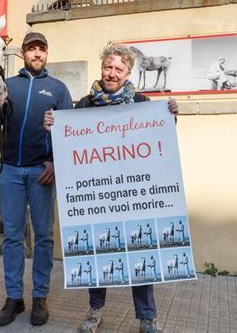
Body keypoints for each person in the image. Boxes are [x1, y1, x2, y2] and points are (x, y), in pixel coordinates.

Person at [44, 43, 178, 333]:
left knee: (141, 253)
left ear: (129, 72)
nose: (112, 73)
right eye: (108, 67)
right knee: (97, 253)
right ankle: (95, 311)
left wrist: (171, 115)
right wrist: (53, 126)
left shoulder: (142, 102)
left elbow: (160, 137)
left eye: (119, 69)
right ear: (102, 68)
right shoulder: (83, 105)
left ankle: (146, 317)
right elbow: (67, 144)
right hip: (97, 194)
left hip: (133, 194)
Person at [0, 32, 73, 327]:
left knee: (44, 237)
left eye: (41, 49)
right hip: (9, 171)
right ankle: (14, 298)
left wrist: (55, 162)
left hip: (41, 172)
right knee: (12, 236)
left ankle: (40, 298)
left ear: (47, 53)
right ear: (23, 53)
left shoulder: (58, 89)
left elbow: (70, 132)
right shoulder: (8, 86)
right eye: (32, 49)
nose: (37, 54)